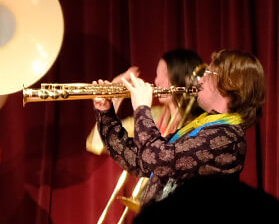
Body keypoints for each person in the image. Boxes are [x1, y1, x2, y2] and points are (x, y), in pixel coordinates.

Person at [92, 48, 265, 203]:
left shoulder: (227, 138)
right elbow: (139, 161)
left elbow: (158, 160)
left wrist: (142, 108)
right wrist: (106, 113)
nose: (200, 80)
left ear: (230, 84)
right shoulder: (203, 127)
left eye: (209, 73)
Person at [85, 47, 203, 154]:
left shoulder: (201, 125)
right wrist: (113, 99)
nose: (157, 81)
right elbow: (97, 144)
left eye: (165, 74)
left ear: (183, 77)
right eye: (157, 74)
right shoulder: (152, 116)